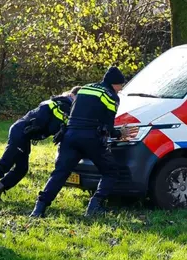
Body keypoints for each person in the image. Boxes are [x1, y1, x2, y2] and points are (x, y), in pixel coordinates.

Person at [30, 67, 130, 218]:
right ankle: (95, 205)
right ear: (114, 84)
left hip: (69, 135)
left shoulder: (85, 89)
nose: (121, 89)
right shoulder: (111, 96)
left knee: (60, 173)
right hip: (90, 138)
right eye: (120, 85)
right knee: (110, 171)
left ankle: (39, 208)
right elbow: (108, 126)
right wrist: (119, 133)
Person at [0, 87, 81, 200]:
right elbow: (54, 123)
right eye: (78, 99)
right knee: (4, 166)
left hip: (21, 133)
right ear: (71, 95)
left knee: (21, 169)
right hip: (21, 133)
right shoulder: (64, 105)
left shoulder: (59, 102)